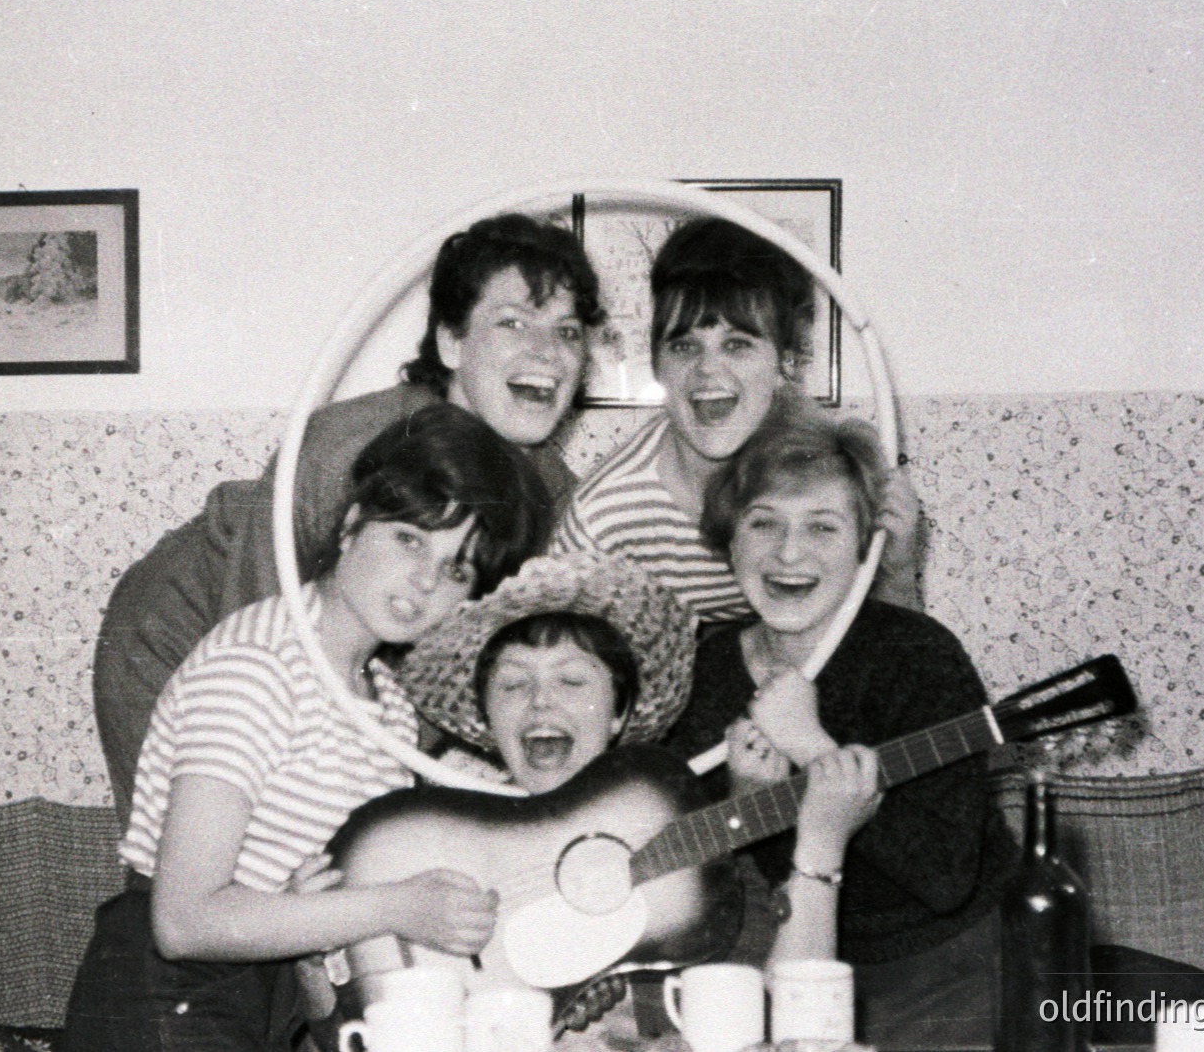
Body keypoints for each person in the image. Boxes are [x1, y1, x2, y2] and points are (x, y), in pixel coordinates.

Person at [58, 405, 554, 1052]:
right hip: (157, 1001)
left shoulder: (384, 705)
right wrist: (399, 905)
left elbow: (288, 916)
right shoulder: (258, 664)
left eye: (456, 567)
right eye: (409, 537)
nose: (425, 579)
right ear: (351, 523)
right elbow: (183, 919)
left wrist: (304, 915)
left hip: (253, 1006)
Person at [94, 213, 605, 824]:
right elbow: (254, 639)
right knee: (228, 849)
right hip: (186, 636)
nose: (547, 352)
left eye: (568, 332)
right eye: (514, 322)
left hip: (346, 670)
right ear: (450, 341)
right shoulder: (347, 450)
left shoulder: (550, 488)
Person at [394, 553, 883, 1048]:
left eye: (572, 680)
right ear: (487, 722)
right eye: (514, 683)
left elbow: (799, 1022)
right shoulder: (439, 836)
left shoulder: (687, 833)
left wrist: (821, 847)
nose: (540, 700)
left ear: (617, 712)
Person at [658, 396, 1017, 1049]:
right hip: (777, 963)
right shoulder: (700, 669)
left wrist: (811, 745)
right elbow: (706, 884)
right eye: (763, 523)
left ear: (864, 547)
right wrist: (745, 800)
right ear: (727, 537)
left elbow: (945, 877)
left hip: (937, 975)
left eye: (822, 527)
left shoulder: (919, 656)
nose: (788, 553)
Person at [553, 216, 922, 625]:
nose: (708, 370)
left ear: (784, 360)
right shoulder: (603, 517)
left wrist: (897, 569)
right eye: (684, 346)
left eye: (737, 344)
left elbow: (897, 658)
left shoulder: (827, 475)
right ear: (657, 365)